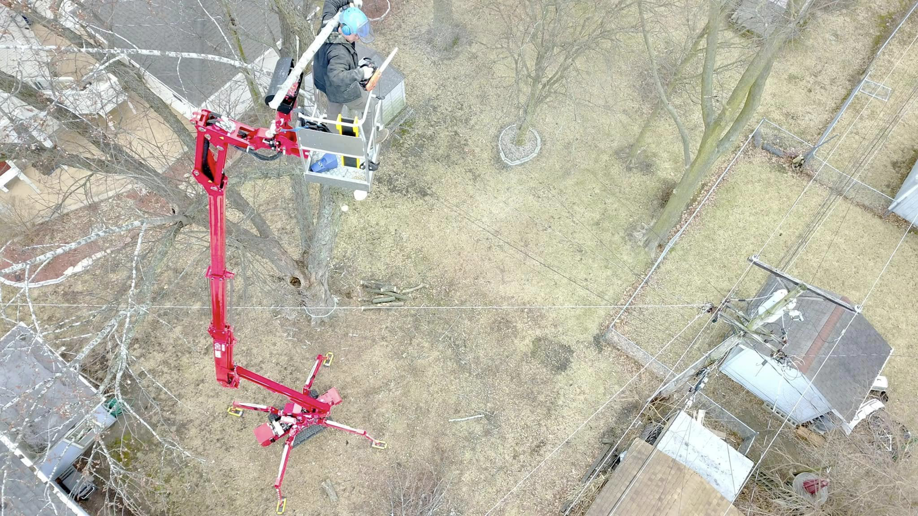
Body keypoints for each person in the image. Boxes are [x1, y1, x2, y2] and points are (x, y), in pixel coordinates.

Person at [313, 0, 388, 143]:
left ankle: (331, 131)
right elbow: (336, 77)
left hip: (323, 81)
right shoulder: (339, 53)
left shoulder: (328, 23)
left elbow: (331, 2)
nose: (358, 38)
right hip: (338, 86)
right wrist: (361, 73)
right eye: (356, 35)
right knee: (368, 105)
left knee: (334, 103)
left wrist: (350, 1)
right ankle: (371, 138)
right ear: (346, 29)